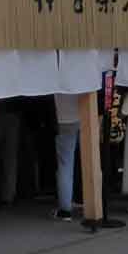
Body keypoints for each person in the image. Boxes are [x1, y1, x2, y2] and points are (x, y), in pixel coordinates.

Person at [53, 93, 79, 221]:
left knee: (65, 164)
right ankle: (89, 200)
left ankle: (65, 209)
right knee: (89, 161)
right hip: (86, 115)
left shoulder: (56, 74)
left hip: (64, 119)